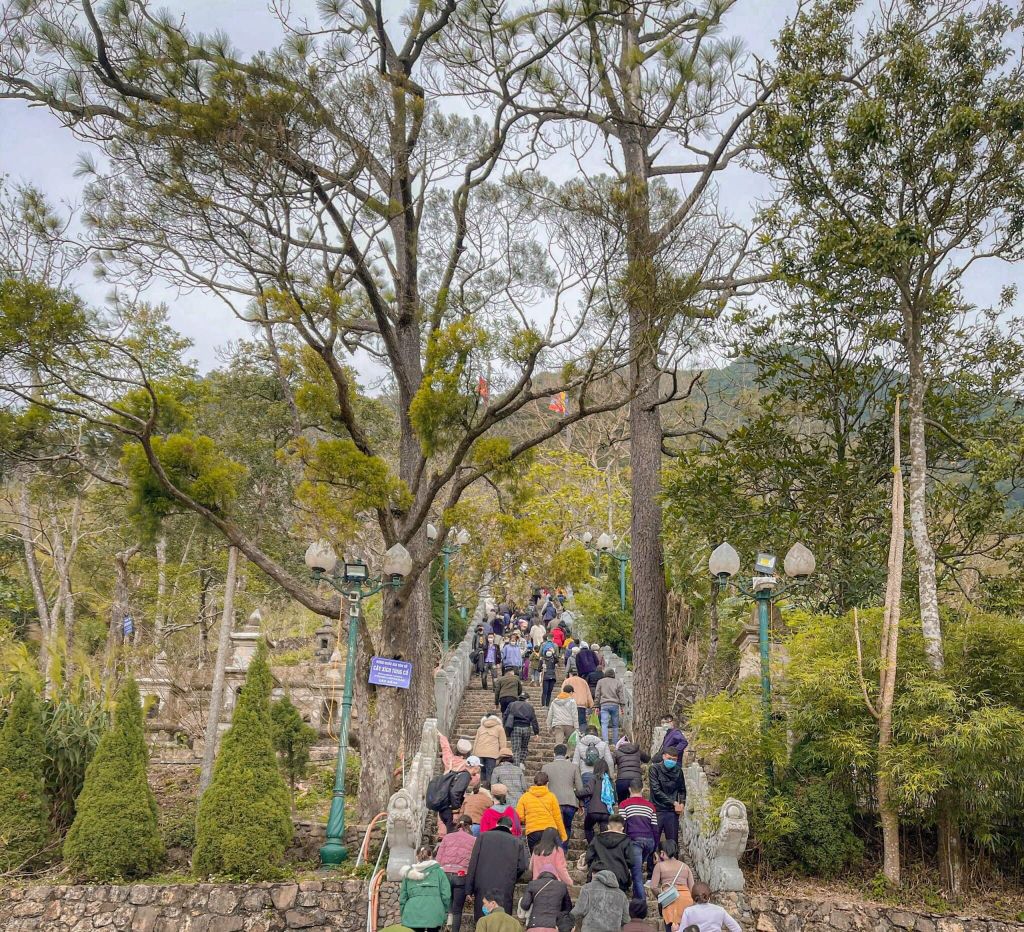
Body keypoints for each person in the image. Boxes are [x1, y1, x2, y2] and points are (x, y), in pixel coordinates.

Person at [466, 817, 529, 922]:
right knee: (502, 921)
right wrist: (512, 877)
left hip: (482, 884)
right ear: (511, 827)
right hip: (505, 886)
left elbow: (473, 863)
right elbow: (522, 866)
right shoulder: (517, 842)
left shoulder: (483, 837)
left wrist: (469, 889)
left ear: (496, 824)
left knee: (482, 920)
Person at [435, 816, 475, 932]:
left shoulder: (447, 837)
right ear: (470, 826)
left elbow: (438, 858)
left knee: (445, 907)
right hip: (461, 876)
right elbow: (473, 861)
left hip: (445, 874)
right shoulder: (473, 840)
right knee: (457, 911)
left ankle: (442, 928)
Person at [399, 845, 452, 932]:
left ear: (417, 857)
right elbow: (446, 895)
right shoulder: (439, 872)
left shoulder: (409, 873)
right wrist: (444, 911)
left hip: (412, 914)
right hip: (434, 913)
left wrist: (403, 913)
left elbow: (403, 897)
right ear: (431, 856)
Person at [542, 743, 585, 851]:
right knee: (566, 827)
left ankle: (554, 851)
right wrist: (581, 803)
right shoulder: (573, 767)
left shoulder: (546, 767)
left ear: (554, 753)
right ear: (565, 754)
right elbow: (580, 788)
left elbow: (541, 784)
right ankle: (563, 851)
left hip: (553, 801)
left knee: (554, 827)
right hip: (570, 801)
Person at [648, 843, 695, 932]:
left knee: (670, 927)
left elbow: (653, 887)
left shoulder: (659, 866)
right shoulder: (685, 866)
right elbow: (692, 888)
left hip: (670, 900)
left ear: (662, 853)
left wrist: (662, 894)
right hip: (686, 899)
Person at [516, 773, 567, 851]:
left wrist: (528, 819)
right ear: (547, 783)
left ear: (534, 782)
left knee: (536, 858)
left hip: (533, 831)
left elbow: (519, 816)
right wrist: (563, 835)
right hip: (550, 830)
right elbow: (557, 817)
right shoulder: (551, 796)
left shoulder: (525, 797)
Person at [585, 815, 633, 896]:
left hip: (598, 874)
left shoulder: (597, 838)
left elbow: (589, 857)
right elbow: (631, 861)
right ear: (622, 828)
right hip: (619, 877)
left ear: (608, 827)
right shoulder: (626, 840)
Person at [620, 780, 659, 876]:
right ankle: (635, 887)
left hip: (634, 840)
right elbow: (655, 828)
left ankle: (638, 889)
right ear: (642, 789)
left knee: (637, 874)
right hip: (649, 842)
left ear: (629, 789)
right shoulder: (651, 806)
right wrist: (655, 848)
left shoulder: (624, 804)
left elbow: (622, 826)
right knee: (637, 866)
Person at [650, 749, 686, 848]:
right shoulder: (654, 769)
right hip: (657, 809)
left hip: (672, 812)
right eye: (669, 758)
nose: (671, 761)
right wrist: (674, 803)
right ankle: (652, 863)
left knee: (673, 842)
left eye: (674, 759)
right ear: (664, 757)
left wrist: (682, 804)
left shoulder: (678, 771)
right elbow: (656, 791)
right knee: (653, 840)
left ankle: (674, 862)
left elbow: (682, 790)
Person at [519, 864, 572, 932]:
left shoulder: (532, 884)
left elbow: (525, 905)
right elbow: (568, 908)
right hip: (554, 926)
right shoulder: (562, 886)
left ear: (541, 874)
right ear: (554, 874)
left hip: (535, 925)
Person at [582, 758, 613, 844]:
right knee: (604, 833)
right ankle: (603, 849)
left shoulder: (593, 778)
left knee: (588, 828)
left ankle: (593, 846)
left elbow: (588, 791)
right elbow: (614, 798)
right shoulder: (610, 781)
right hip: (606, 812)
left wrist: (577, 793)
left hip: (593, 811)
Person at [505, 692, 540, 766]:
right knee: (524, 747)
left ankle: (516, 766)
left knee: (516, 749)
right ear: (527, 699)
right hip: (526, 728)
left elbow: (505, 716)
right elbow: (534, 720)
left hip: (515, 728)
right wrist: (536, 732)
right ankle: (521, 762)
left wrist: (504, 728)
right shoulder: (530, 706)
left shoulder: (512, 704)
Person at [474, 712, 509, 783]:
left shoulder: (481, 728)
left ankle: (481, 789)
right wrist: (502, 755)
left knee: (481, 772)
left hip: (479, 753)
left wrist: (474, 754)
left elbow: (475, 742)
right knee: (490, 773)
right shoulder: (499, 728)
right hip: (492, 754)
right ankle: (488, 790)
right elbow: (503, 743)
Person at [613, 737, 650, 804]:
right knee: (636, 803)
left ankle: (622, 812)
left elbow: (611, 763)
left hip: (622, 780)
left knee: (622, 802)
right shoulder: (637, 750)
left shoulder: (617, 752)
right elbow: (647, 759)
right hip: (636, 780)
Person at [594, 670, 627, 745]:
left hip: (604, 704)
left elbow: (597, 694)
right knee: (615, 725)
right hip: (615, 704)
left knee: (604, 724)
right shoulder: (617, 682)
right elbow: (621, 694)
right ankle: (615, 742)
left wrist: (596, 705)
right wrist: (622, 705)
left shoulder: (600, 681)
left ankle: (605, 741)